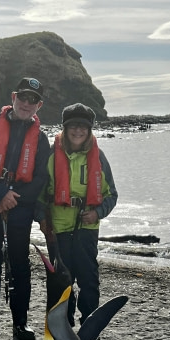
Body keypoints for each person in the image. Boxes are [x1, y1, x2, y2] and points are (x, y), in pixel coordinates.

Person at [0, 77, 50, 340]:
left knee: (19, 264)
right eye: (23, 97)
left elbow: (40, 179)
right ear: (14, 97)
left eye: (33, 100)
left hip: (20, 207)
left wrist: (13, 198)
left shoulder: (42, 139)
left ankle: (20, 322)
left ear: (39, 105)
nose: (27, 104)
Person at [38, 103, 118, 326]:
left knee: (89, 278)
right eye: (73, 126)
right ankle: (62, 323)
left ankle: (90, 322)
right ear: (64, 128)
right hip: (58, 228)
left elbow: (112, 194)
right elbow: (38, 194)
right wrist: (42, 219)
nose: (78, 130)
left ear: (90, 130)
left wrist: (98, 213)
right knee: (61, 281)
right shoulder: (50, 155)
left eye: (83, 126)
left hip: (87, 228)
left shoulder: (99, 157)